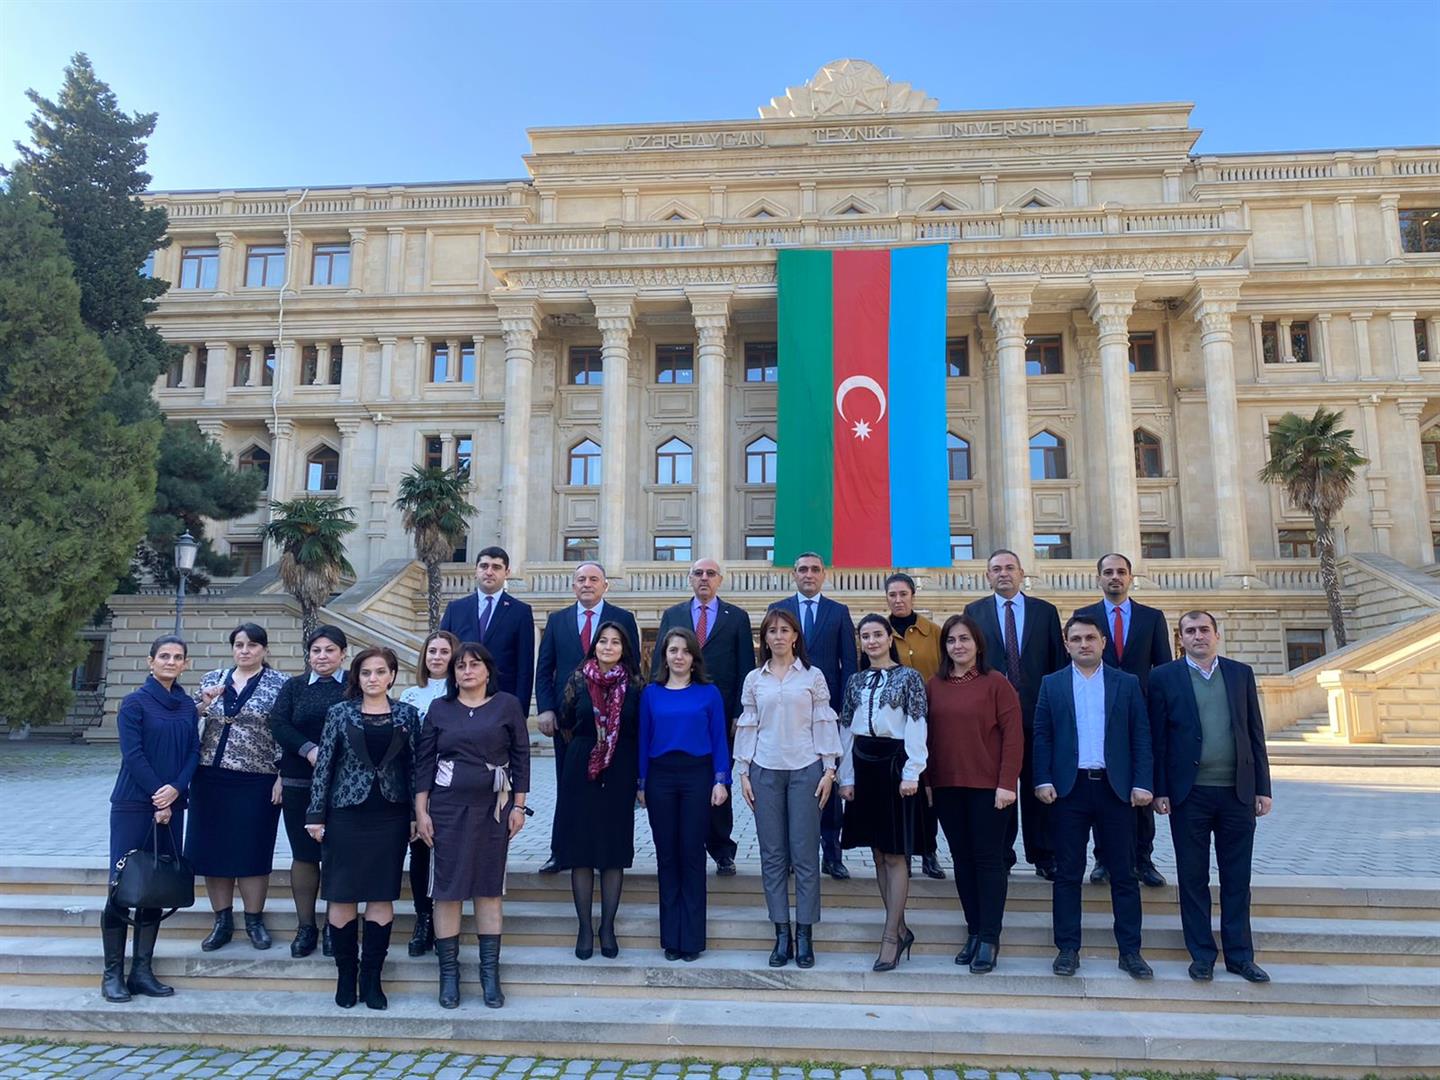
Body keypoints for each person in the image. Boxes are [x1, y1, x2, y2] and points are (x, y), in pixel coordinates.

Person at [1150, 611, 1274, 984]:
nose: (1198, 636)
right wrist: (1160, 790)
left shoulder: (1240, 674)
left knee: (1237, 878)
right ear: (1180, 639)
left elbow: (1255, 731)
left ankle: (1240, 956)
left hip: (1237, 792)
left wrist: (1263, 788)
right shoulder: (1163, 676)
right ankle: (1201, 955)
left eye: (1205, 629)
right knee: (1193, 877)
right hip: (1190, 795)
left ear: (1217, 635)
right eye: (1190, 631)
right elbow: (1158, 738)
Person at [1032, 614, 1154, 981]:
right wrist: (1042, 779)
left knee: (1124, 874)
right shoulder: (1051, 685)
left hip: (1115, 790)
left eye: (1090, 638)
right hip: (1069, 790)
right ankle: (1067, 949)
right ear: (1066, 644)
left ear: (1102, 642)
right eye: (1076, 639)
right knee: (1068, 874)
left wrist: (1143, 781)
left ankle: (1130, 951)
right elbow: (1042, 735)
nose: (1084, 644)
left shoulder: (1126, 683)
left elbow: (1141, 735)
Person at [415, 641, 531, 1009]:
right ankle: (449, 976)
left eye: (474, 664)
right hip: (447, 809)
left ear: (487, 670)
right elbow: (424, 763)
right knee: (447, 889)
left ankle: (489, 977)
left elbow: (521, 756)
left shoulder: (507, 705)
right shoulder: (440, 708)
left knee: (487, 887)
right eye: (460, 665)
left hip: (492, 809)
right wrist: (421, 812)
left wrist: (519, 806)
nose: (467, 670)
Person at [306, 647, 420, 1011]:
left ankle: (372, 977)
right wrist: (315, 814)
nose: (373, 678)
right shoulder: (339, 713)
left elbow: (415, 768)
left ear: (392, 676)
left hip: (391, 815)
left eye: (380, 672)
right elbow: (324, 765)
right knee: (341, 894)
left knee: (381, 895)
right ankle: (345, 974)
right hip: (345, 814)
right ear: (357, 677)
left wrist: (419, 814)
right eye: (366, 673)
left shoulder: (407, 714)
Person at [734, 608, 841, 969]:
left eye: (785, 630)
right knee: (773, 856)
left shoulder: (813, 676)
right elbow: (749, 725)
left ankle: (805, 934)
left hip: (805, 771)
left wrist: (829, 770)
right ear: (763, 638)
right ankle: (782, 933)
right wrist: (743, 771)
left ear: (795, 636)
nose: (778, 636)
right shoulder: (754, 679)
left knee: (806, 855)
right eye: (771, 631)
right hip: (764, 771)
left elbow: (824, 722)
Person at [101, 635, 200, 1003]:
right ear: (150, 661)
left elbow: (193, 750)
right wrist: (158, 792)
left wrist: (175, 790)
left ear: (185, 664)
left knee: (154, 886)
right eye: (164, 656)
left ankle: (141, 971)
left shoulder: (188, 705)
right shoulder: (135, 703)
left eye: (177, 657)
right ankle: (112, 974)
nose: (171, 662)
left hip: (172, 806)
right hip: (134, 803)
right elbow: (133, 753)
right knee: (122, 885)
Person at [925, 614, 1022, 974]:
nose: (958, 646)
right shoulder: (934, 685)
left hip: (989, 789)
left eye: (964, 639)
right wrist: (929, 783)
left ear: (977, 644)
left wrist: (1007, 784)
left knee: (988, 861)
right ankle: (973, 930)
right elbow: (928, 739)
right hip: (948, 787)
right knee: (962, 862)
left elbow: (1013, 737)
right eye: (951, 641)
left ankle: (990, 936)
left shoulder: (995, 683)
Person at [186, 623, 290, 953]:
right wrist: (202, 704)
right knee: (213, 851)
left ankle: (254, 920)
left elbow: (286, 730)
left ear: (264, 649)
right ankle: (222, 920)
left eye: (252, 645)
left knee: (252, 850)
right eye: (239, 645)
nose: (245, 651)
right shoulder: (212, 679)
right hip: (210, 775)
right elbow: (187, 719)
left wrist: (282, 775)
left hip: (257, 777)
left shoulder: (280, 684)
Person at [963, 550, 1066, 879]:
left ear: (1022, 573)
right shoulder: (974, 612)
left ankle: (1044, 854)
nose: (1003, 574)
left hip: (1038, 714)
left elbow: (1056, 664)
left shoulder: (1045, 612)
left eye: (1009, 568)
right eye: (996, 569)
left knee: (1039, 785)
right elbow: (971, 664)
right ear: (987, 576)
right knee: (1001, 788)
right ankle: (1002, 854)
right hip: (992, 718)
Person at [1073, 553, 1173, 888]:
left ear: (1130, 577)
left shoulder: (1151, 618)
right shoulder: (1084, 617)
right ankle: (1103, 859)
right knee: (1103, 789)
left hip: (1139, 717)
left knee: (1140, 787)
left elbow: (1164, 670)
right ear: (1098, 577)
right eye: (1108, 572)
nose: (1114, 577)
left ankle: (1143, 859)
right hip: (1097, 718)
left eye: (1121, 572)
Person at [652, 558, 755, 876]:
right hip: (679, 715)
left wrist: (740, 712)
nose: (704, 578)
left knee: (719, 778)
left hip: (721, 715)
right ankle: (689, 845)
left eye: (710, 574)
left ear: (720, 580)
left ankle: (722, 848)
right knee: (688, 781)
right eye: (698, 573)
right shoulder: (674, 615)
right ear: (689, 579)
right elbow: (659, 662)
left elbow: (745, 668)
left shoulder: (736, 617)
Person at [838, 614, 930, 973]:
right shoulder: (855, 681)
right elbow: (845, 730)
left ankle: (890, 936)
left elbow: (918, 724)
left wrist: (912, 771)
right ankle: (901, 926)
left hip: (895, 765)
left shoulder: (910, 678)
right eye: (866, 636)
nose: (872, 641)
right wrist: (846, 777)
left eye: (878, 634)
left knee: (895, 854)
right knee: (877, 853)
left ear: (889, 638)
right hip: (863, 764)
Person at [535, 562, 640, 874]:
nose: (587, 584)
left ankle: (604, 852)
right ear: (573, 585)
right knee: (567, 788)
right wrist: (546, 708)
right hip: (571, 723)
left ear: (605, 585)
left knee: (608, 792)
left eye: (594, 579)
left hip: (612, 724)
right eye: (581, 579)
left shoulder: (622, 619)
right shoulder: (557, 620)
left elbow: (633, 667)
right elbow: (545, 669)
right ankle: (562, 851)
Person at [639, 627, 730, 962]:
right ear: (664, 655)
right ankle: (671, 939)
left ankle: (691, 938)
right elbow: (643, 740)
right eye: (672, 650)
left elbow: (720, 738)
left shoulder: (709, 693)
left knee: (691, 854)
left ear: (694, 657)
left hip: (698, 775)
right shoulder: (651, 693)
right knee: (667, 856)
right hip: (661, 775)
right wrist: (641, 783)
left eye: (685, 651)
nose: (678, 656)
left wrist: (721, 780)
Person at [554, 622, 641, 961]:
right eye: (602, 641)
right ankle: (584, 928)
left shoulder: (634, 685)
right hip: (581, 768)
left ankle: (607, 926)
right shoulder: (577, 680)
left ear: (624, 648)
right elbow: (564, 723)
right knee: (581, 850)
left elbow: (637, 728)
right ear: (594, 646)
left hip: (620, 770)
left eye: (615, 642)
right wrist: (592, 750)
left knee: (612, 849)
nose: (607, 646)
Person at [769, 552, 857, 880]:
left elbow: (849, 664)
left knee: (827, 785)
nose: (809, 574)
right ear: (793, 574)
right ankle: (791, 855)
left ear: (824, 575)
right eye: (802, 569)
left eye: (815, 569)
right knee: (789, 783)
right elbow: (766, 661)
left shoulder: (838, 612)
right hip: (786, 715)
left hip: (826, 714)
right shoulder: (779, 611)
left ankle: (832, 854)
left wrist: (844, 711)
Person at [268, 625, 350, 958]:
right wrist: (308, 749)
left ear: (343, 654)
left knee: (336, 854)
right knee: (304, 854)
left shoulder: (354, 687)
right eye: (316, 650)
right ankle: (306, 927)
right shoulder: (294, 686)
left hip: (344, 786)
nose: (322, 656)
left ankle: (335, 926)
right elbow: (279, 724)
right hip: (299, 780)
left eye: (329, 650)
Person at [397, 630, 461, 957]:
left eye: (443, 652)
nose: (436, 657)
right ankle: (423, 918)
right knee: (421, 853)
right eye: (431, 651)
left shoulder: (462, 692)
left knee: (449, 854)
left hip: (454, 786)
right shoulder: (410, 695)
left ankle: (445, 923)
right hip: (418, 785)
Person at [884, 572, 945, 881]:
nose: (898, 600)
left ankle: (930, 851)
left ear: (912, 596)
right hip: (893, 729)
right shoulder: (879, 633)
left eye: (903, 594)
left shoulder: (933, 632)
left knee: (928, 790)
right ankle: (902, 852)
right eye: (892, 595)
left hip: (929, 723)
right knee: (901, 792)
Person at [439, 545, 535, 709]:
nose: (489, 572)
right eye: (484, 566)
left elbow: (525, 665)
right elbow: (444, 653)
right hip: (460, 699)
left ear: (507, 572)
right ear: (476, 570)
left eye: (496, 567)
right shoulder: (455, 609)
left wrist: (521, 709)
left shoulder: (520, 612)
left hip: (502, 700)